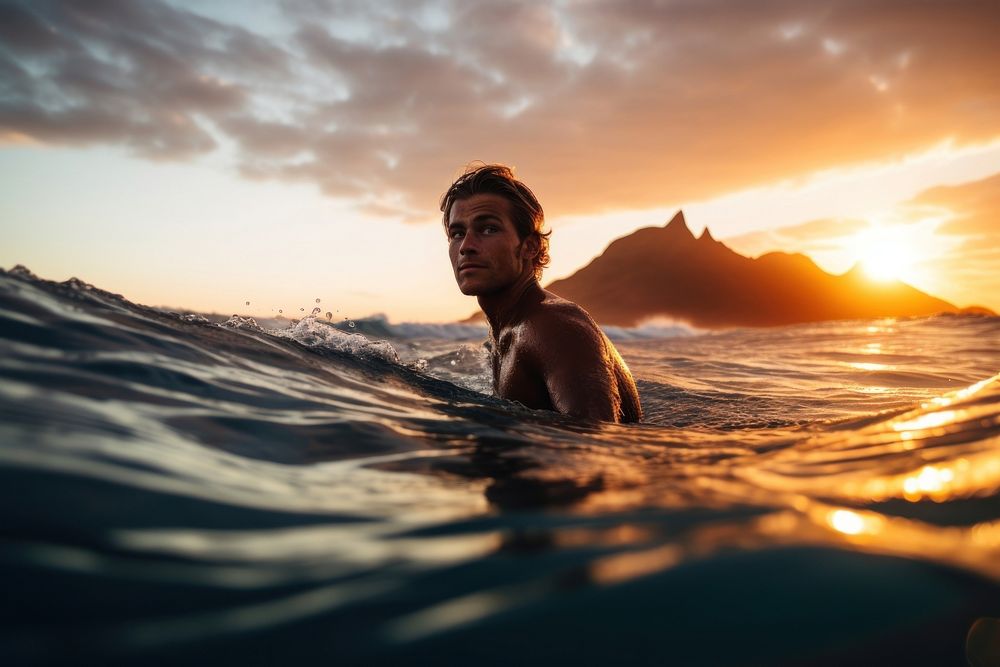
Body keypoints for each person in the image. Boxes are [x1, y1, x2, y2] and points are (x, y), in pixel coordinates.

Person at [440, 163, 643, 423]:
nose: (466, 246)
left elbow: (599, 444)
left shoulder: (552, 327)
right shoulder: (511, 328)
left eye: (488, 229)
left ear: (530, 247)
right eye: (457, 233)